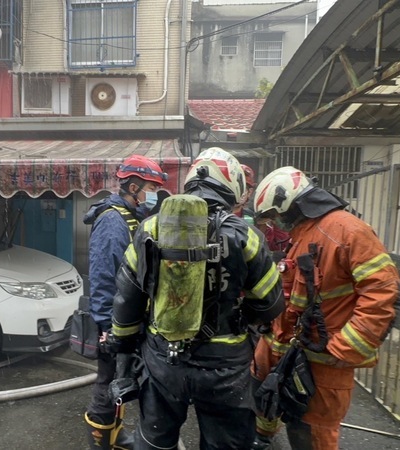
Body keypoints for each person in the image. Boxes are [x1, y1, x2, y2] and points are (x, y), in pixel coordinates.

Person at [110, 147, 284, 450]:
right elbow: (270, 304)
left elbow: (127, 301)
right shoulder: (247, 235)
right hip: (225, 367)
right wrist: (240, 315)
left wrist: (124, 350)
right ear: (231, 187)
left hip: (163, 359)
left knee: (154, 441)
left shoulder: (148, 229)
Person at [250, 166, 400, 450]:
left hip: (322, 361)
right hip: (286, 351)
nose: (275, 224)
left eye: (275, 216)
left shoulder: (346, 230)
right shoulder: (305, 234)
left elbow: (383, 291)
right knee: (269, 404)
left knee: (313, 434)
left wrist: (347, 347)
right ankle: (262, 438)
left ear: (290, 205)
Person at [82, 154, 168, 450]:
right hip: (115, 320)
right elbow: (104, 274)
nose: (154, 194)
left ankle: (116, 435)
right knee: (108, 381)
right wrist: (107, 325)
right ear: (133, 186)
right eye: (151, 187)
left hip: (130, 316)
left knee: (126, 377)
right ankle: (100, 441)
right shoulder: (112, 221)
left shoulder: (133, 217)